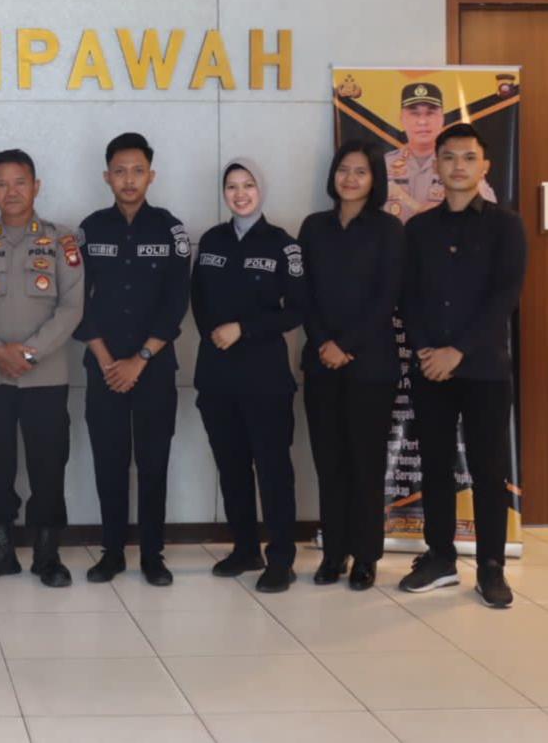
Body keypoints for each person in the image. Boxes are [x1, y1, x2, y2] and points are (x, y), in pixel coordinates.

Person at [399, 124, 526, 609]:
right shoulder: (418, 229)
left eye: (469, 158)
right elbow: (408, 297)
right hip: (430, 366)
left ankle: (491, 567)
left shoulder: (506, 226)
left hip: (484, 369)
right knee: (434, 465)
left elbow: (504, 298)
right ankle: (440, 558)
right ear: (436, 165)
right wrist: (427, 351)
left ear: (484, 166)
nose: (458, 166)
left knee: (488, 469)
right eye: (449, 157)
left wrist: (459, 352)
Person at [0, 149, 83, 587]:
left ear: (36, 186)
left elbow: (72, 307)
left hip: (45, 375)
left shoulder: (62, 242)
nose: (11, 191)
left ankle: (47, 553)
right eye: (2, 183)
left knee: (49, 463)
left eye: (20, 182)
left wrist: (29, 353)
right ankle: (0, 550)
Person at [73, 133, 191, 587]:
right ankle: (112, 552)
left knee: (154, 462)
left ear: (151, 176)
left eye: (137, 170)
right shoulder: (89, 230)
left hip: (153, 369)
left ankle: (152, 555)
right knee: (109, 461)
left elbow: (176, 302)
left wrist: (139, 359)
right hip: (103, 368)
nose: (128, 179)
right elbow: (77, 300)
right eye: (120, 171)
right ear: (107, 176)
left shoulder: (171, 230)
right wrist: (108, 361)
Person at [191, 158, 306, 593]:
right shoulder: (212, 240)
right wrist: (215, 334)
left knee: (273, 468)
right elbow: (197, 297)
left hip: (264, 377)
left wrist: (244, 329)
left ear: (262, 189)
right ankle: (244, 548)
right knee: (232, 465)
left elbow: (296, 310)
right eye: (232, 186)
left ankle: (281, 558)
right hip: (217, 374)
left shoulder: (284, 245)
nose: (240, 194)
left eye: (249, 185)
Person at [298, 141, 404, 591]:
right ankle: (334, 552)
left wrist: (346, 345)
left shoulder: (389, 229)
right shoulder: (313, 227)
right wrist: (324, 342)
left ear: (374, 179)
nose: (350, 179)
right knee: (329, 461)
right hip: (321, 361)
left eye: (361, 171)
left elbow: (387, 296)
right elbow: (303, 293)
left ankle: (365, 555)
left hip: (370, 365)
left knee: (365, 462)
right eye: (344, 169)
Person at [385, 82, 495, 222]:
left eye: (430, 113)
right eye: (414, 114)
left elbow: (487, 215)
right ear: (401, 118)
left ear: (442, 118)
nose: (422, 121)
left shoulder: (459, 166)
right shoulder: (384, 165)